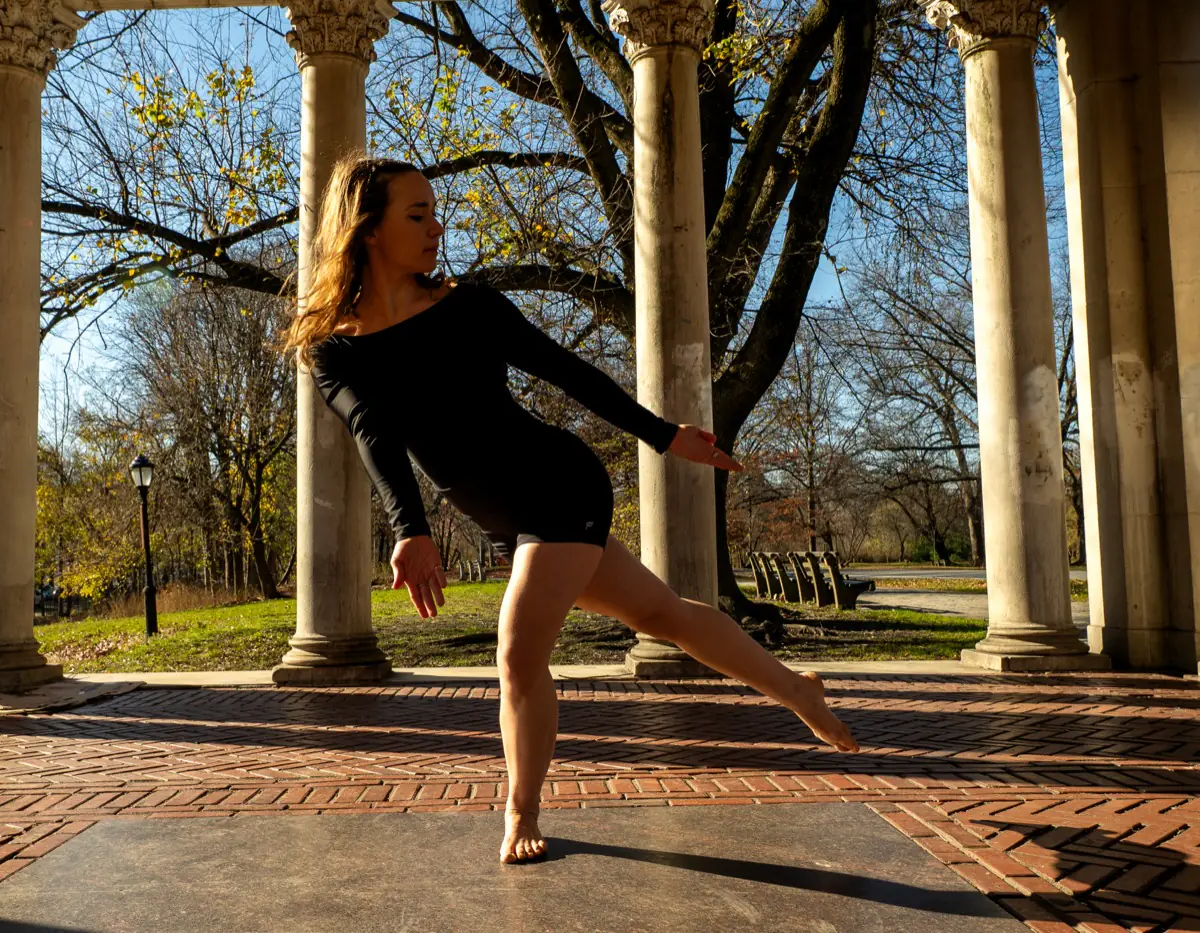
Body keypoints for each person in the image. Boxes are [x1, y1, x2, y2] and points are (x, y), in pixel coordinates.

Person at [279, 154, 859, 865]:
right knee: (663, 614)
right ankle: (796, 688)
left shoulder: (472, 307)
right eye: (417, 214)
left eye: (436, 210)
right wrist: (412, 530)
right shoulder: (331, 349)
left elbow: (570, 372)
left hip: (558, 485)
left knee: (517, 650)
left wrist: (666, 434)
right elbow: (372, 430)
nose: (438, 226)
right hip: (511, 519)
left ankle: (521, 808)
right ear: (367, 228)